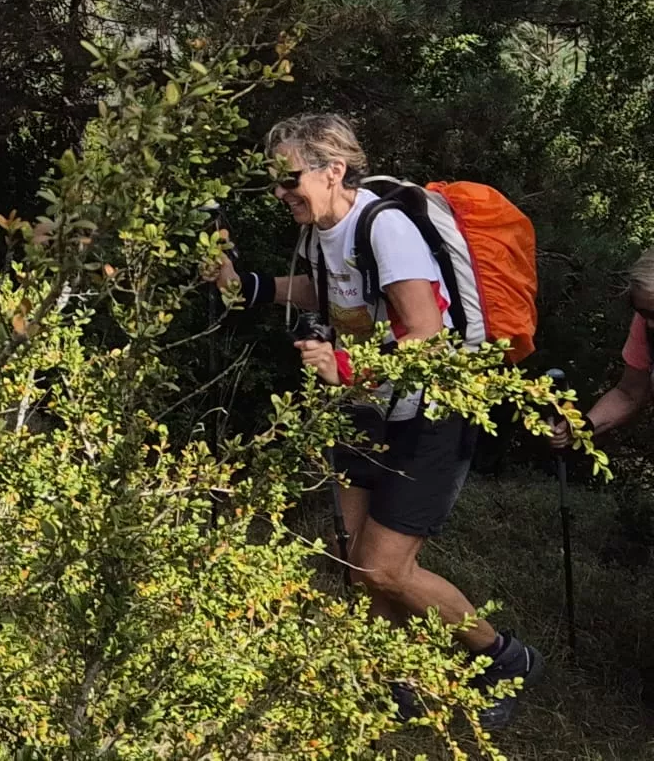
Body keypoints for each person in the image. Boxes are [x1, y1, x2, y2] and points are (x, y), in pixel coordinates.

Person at [213, 113, 541, 726]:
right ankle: (406, 676)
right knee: (349, 556)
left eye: (289, 181)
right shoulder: (322, 231)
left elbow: (425, 335)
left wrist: (344, 367)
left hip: (431, 410)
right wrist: (245, 284)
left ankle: (503, 658)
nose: (281, 195)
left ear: (333, 170)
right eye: (274, 184)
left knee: (383, 567)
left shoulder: (386, 228)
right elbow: (329, 291)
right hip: (367, 409)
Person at [550, 247, 654, 450]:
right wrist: (583, 427)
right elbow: (629, 393)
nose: (650, 323)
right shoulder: (645, 326)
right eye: (642, 311)